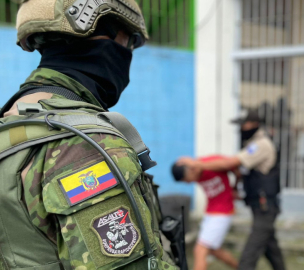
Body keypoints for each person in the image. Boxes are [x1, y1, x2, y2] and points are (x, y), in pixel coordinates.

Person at [0, 1, 176, 269]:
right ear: (102, 32)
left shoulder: (10, 123)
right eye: (130, 42)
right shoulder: (85, 144)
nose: (128, 54)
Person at [179, 110, 286, 270]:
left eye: (243, 125)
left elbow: (232, 163)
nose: (241, 129)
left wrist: (197, 164)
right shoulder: (253, 143)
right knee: (271, 248)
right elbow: (241, 172)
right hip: (259, 205)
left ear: (253, 124)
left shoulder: (260, 144)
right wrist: (236, 188)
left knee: (249, 255)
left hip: (265, 206)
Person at [171, 156, 238, 270]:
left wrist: (236, 187)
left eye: (187, 179)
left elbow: (231, 164)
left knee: (200, 250)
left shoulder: (209, 163)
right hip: (210, 212)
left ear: (191, 169)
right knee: (214, 250)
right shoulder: (195, 172)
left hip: (223, 212)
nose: (189, 183)